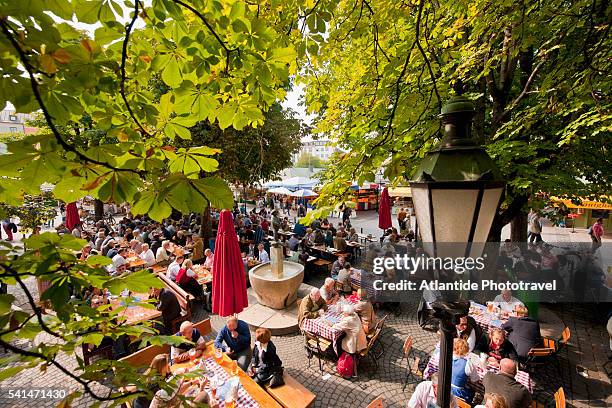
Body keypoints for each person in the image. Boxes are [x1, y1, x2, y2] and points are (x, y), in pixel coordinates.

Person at [450, 338, 479, 403]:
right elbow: (475, 379)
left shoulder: (446, 357)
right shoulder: (467, 364)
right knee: (471, 392)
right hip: (458, 394)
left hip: (444, 387)